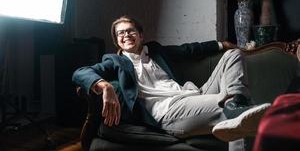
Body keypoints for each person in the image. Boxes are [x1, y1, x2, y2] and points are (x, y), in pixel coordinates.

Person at [72, 15, 270, 143]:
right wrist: (105, 86)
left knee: (233, 55)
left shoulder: (156, 51)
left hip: (194, 94)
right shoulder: (114, 61)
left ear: (141, 35)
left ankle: (238, 103)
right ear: (117, 41)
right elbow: (80, 72)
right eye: (121, 33)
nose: (126, 35)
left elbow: (189, 49)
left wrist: (221, 44)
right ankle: (239, 106)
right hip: (168, 112)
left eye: (131, 30)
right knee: (227, 106)